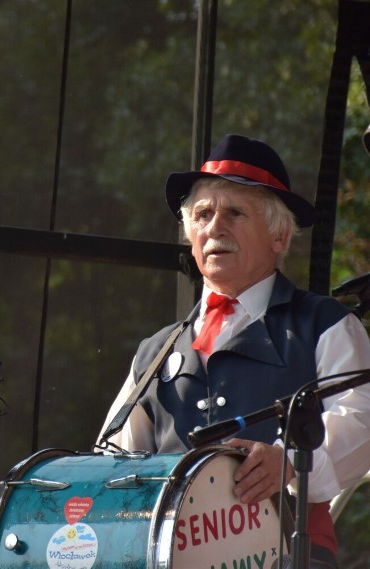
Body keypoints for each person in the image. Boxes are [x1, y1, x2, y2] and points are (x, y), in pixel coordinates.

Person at [99, 134, 370, 568]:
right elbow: (112, 462)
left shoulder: (325, 325)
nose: (215, 228)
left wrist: (291, 461)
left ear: (279, 237)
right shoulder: (156, 349)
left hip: (287, 555)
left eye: (235, 213)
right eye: (203, 215)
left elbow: (362, 421)